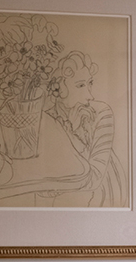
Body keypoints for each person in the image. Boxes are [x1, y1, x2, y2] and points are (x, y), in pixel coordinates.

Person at [46, 50, 126, 207]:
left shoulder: (102, 113)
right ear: (60, 88)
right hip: (60, 199)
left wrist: (70, 133)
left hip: (103, 194)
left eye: (90, 83)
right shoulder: (47, 117)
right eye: (80, 85)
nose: (90, 95)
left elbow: (94, 177)